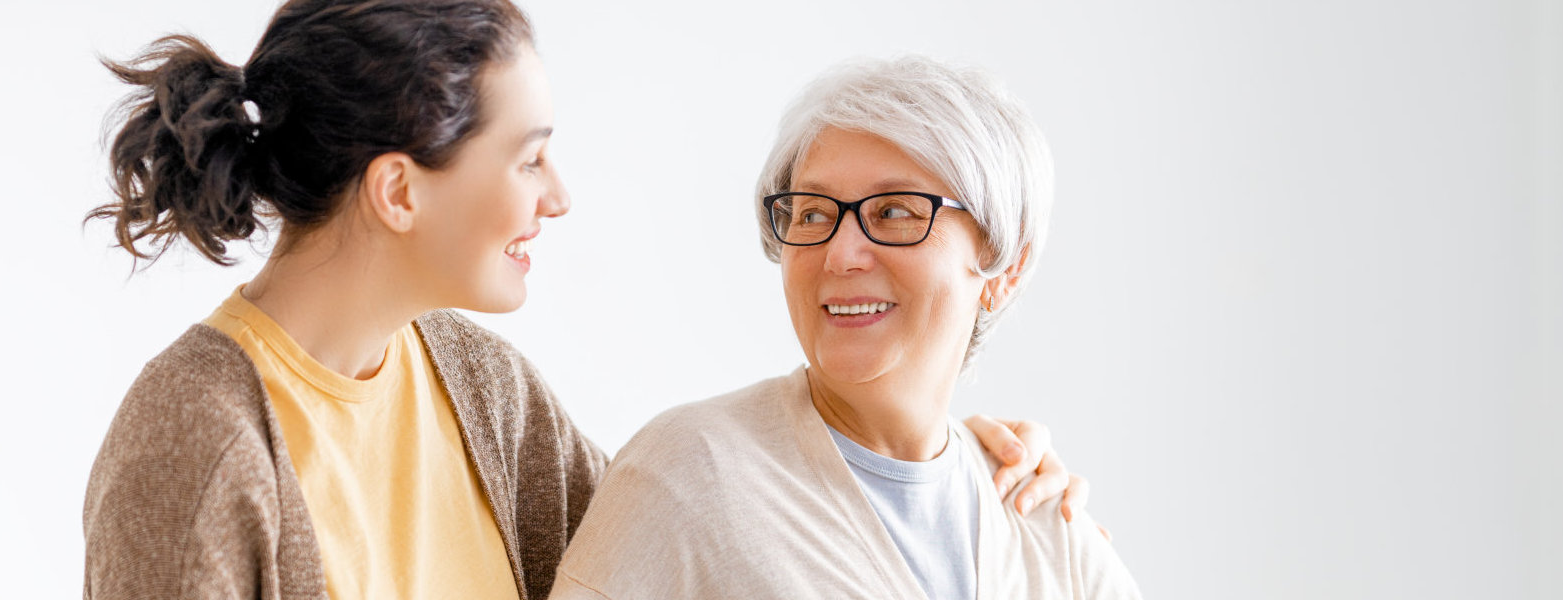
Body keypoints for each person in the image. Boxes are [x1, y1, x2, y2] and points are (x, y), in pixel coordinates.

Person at [81, 2, 1092, 598]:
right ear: (398, 191)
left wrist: (941, 461)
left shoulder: (479, 390)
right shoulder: (200, 439)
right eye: (529, 159)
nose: (557, 197)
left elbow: (722, 535)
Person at [551, 56, 1140, 599]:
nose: (841, 253)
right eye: (813, 213)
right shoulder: (689, 475)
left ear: (1002, 267)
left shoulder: (1047, 525)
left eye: (893, 212)